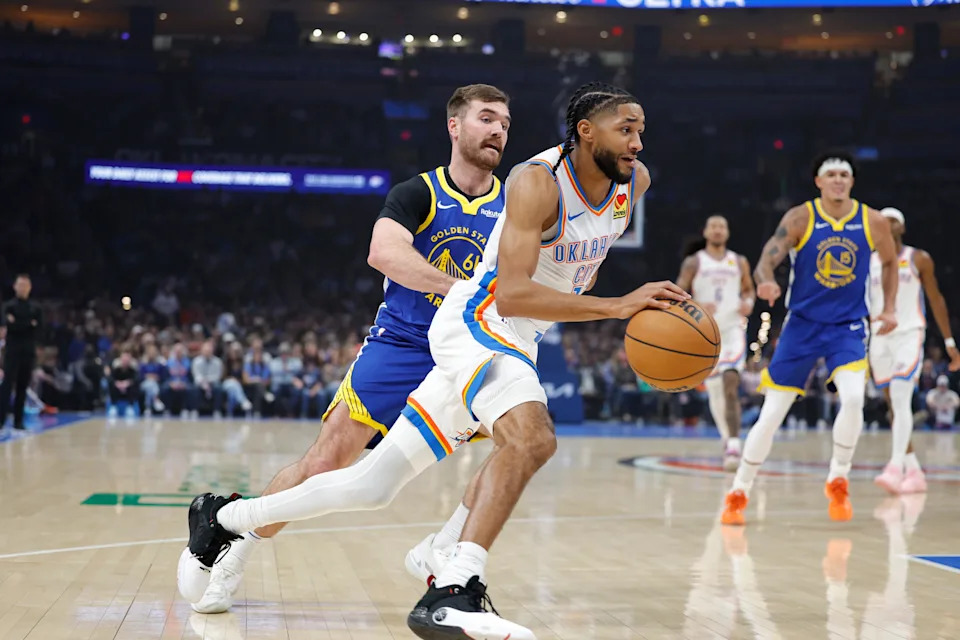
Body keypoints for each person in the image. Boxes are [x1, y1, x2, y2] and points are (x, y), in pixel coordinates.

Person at [182, 82, 684, 639]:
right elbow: (497, 288)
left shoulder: (632, 183)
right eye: (626, 129)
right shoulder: (525, 183)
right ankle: (455, 586)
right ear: (585, 132)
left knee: (374, 486)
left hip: (516, 334)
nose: (638, 142)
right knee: (529, 438)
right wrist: (618, 306)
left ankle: (225, 518)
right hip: (468, 325)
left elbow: (565, 269)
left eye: (642, 129)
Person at [180, 84, 513, 613]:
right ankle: (236, 543)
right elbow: (383, 252)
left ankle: (442, 552)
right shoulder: (418, 193)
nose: (498, 130)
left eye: (504, 122)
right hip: (403, 343)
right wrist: (461, 289)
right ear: (455, 126)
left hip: (469, 349)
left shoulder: (514, 202)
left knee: (519, 441)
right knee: (326, 462)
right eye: (487, 118)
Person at [721, 150, 898, 526]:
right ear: (818, 181)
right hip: (801, 326)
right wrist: (766, 279)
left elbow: (888, 262)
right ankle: (739, 490)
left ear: (851, 181)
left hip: (847, 326)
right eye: (831, 174)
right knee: (771, 415)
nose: (838, 180)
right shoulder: (801, 216)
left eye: (844, 175)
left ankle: (838, 476)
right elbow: (767, 257)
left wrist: (890, 307)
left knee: (853, 399)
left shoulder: (872, 221)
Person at [869, 207, 960, 494]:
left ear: (902, 228)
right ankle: (915, 472)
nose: (888, 223)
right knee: (893, 407)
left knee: (899, 395)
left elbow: (936, 299)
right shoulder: (866, 261)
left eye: (893, 219)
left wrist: (949, 342)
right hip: (878, 337)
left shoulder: (918, 258)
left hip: (909, 334)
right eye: (883, 219)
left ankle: (895, 467)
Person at [677, 216, 755, 471]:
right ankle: (727, 439)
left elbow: (749, 291)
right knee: (716, 394)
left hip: (732, 329)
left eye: (723, 226)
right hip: (704, 333)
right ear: (706, 231)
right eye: (714, 226)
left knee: (730, 383)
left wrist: (749, 304)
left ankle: (734, 443)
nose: (718, 230)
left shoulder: (739, 261)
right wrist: (696, 306)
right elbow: (678, 294)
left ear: (728, 232)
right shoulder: (695, 261)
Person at [0, 274, 42, 430]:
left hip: (28, 351)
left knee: (22, 386)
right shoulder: (7, 306)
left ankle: (19, 421)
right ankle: (1, 420)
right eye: (20, 285)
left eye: (25, 285)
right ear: (14, 286)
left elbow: (39, 329)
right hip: (12, 350)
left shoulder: (36, 308)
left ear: (30, 288)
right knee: (6, 385)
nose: (22, 288)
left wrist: (17, 323)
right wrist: (28, 324)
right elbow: (8, 327)